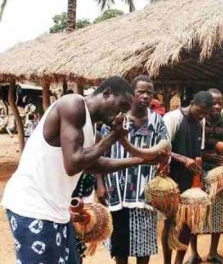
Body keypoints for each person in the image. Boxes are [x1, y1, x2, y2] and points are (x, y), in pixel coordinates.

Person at [1, 76, 154, 264]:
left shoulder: (91, 127)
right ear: (106, 93)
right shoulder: (73, 105)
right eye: (120, 106)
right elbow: (73, 164)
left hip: (57, 211)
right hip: (32, 207)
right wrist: (113, 137)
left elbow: (92, 165)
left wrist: (140, 160)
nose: (120, 115)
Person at [96, 76, 169, 264]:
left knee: (143, 244)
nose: (145, 96)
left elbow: (164, 151)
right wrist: (100, 183)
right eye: (141, 92)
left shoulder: (157, 121)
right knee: (120, 244)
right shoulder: (116, 119)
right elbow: (100, 153)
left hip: (145, 193)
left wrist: (162, 160)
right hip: (117, 191)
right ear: (132, 94)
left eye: (149, 93)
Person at [187, 88, 223, 264]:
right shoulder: (199, 122)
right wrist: (206, 161)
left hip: (219, 175)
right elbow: (195, 150)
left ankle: (213, 252)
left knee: (218, 213)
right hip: (197, 172)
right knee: (195, 213)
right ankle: (193, 253)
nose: (216, 106)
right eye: (213, 103)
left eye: (219, 102)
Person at [162, 91, 213, 264]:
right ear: (192, 103)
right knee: (170, 223)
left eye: (206, 113)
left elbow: (199, 152)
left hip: (191, 181)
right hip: (171, 179)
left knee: (188, 223)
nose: (202, 115)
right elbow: (162, 150)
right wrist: (183, 159)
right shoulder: (172, 118)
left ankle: (179, 261)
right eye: (200, 111)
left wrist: (199, 182)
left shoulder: (202, 122)